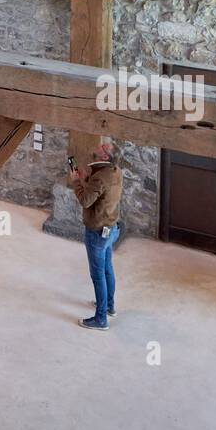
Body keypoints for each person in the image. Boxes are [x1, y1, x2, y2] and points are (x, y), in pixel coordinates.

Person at [68, 141, 123, 331]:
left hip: (97, 232)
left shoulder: (99, 178)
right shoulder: (115, 171)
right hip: (112, 228)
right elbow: (99, 192)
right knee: (107, 268)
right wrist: (86, 179)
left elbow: (85, 200)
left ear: (105, 157)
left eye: (103, 147)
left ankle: (101, 320)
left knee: (98, 275)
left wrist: (76, 181)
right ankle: (109, 306)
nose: (99, 145)